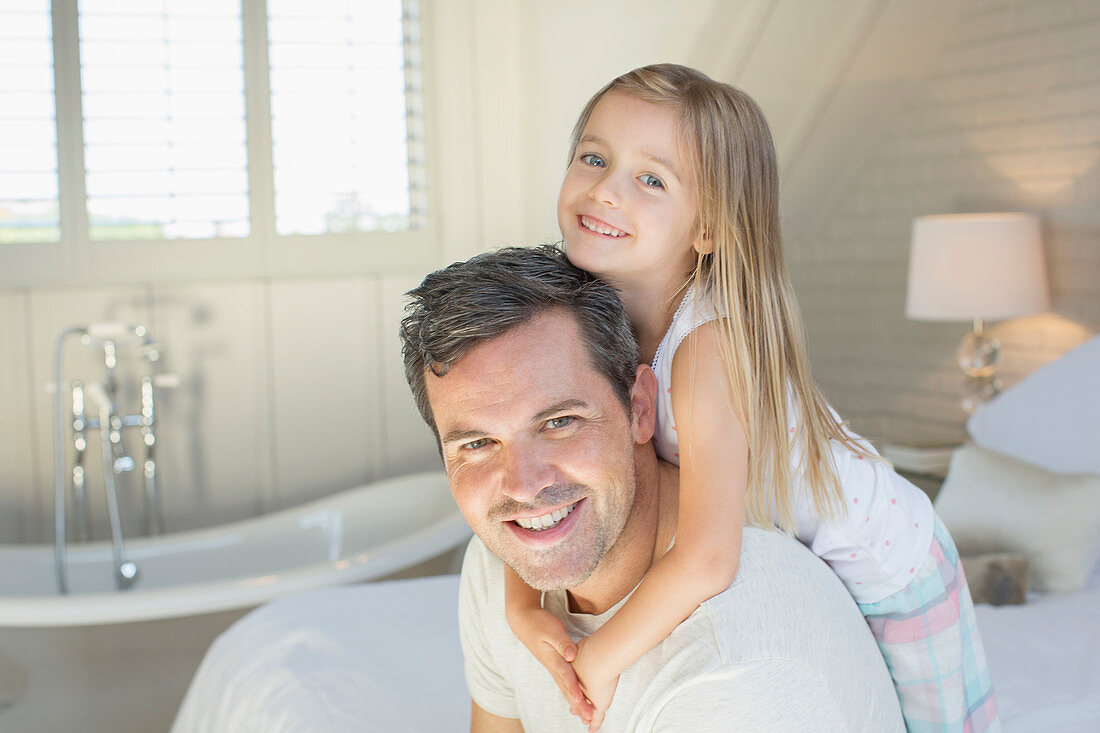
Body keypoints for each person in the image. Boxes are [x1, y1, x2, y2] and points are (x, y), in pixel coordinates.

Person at [505, 64, 998, 732]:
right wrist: (522, 605)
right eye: (593, 157)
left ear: (707, 229)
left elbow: (709, 556)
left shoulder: (708, 350)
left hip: (895, 565)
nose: (604, 190)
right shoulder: (580, 318)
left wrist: (595, 661)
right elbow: (528, 462)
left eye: (651, 179)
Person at [400, 245, 905, 731]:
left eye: (559, 422)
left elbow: (707, 564)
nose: (525, 486)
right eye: (478, 444)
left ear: (640, 408)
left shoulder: (735, 675)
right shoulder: (500, 564)